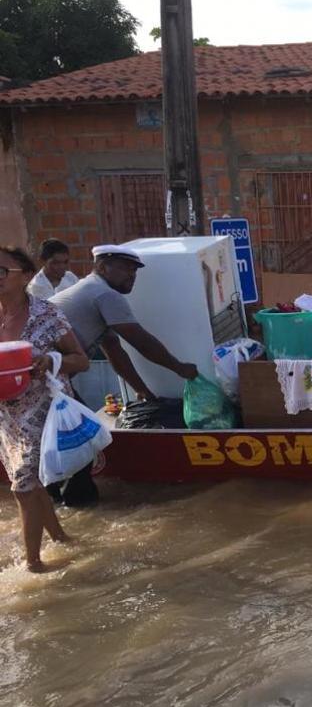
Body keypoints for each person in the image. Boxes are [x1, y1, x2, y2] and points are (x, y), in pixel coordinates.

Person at [0, 246, 90, 572]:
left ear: (24, 276)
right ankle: (61, 538)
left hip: (42, 409)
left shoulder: (46, 315)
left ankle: (33, 565)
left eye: (1, 271)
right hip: (6, 416)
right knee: (30, 482)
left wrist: (50, 360)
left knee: (23, 486)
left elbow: (82, 360)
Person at [51, 244, 199, 400]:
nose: (132, 275)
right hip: (42, 372)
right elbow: (141, 341)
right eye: (125, 268)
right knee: (79, 422)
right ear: (102, 267)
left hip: (48, 375)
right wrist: (179, 367)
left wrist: (143, 392)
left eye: (134, 270)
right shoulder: (105, 294)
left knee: (79, 421)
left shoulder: (93, 288)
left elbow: (114, 350)